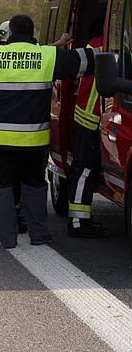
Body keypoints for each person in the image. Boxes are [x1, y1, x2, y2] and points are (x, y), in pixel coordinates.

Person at [0, 14, 86, 249]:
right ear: (32, 32)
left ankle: (7, 239)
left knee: (3, 188)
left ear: (11, 32)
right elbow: (84, 63)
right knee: (35, 186)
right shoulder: (46, 56)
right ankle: (39, 236)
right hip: (33, 140)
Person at [67, 19, 107, 238]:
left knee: (83, 169)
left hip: (87, 117)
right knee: (85, 170)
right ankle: (77, 222)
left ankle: (80, 220)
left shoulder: (94, 45)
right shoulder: (103, 47)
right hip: (91, 118)